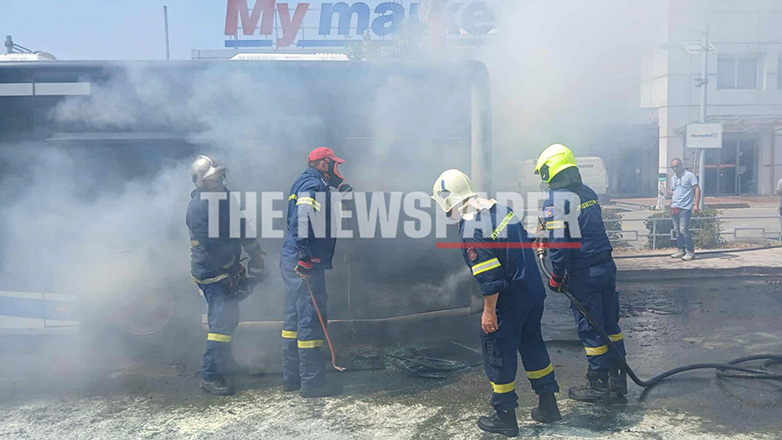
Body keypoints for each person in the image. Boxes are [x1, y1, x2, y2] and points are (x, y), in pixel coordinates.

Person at [432, 169, 561, 437]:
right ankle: (548, 406)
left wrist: (489, 312)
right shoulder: (501, 210)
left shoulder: (472, 229)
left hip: (509, 300)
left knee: (498, 352)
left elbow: (490, 277)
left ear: (448, 200)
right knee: (533, 345)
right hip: (533, 293)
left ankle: (505, 416)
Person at [536, 144, 627, 402]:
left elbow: (560, 244)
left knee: (590, 328)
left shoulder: (556, 200)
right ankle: (618, 379)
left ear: (551, 170)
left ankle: (598, 385)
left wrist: (556, 275)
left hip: (584, 273)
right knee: (609, 324)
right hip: (606, 267)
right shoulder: (588, 192)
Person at [187, 155, 265, 396]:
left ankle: (226, 363)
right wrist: (232, 267)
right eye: (214, 179)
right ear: (201, 182)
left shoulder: (224, 197)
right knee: (220, 325)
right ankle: (209, 375)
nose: (220, 182)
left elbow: (240, 225)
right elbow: (212, 245)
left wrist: (255, 252)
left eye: (221, 177)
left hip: (226, 267)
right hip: (212, 271)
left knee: (230, 319)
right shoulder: (199, 208)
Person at [280, 147, 353, 398]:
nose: (337, 170)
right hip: (305, 261)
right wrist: (305, 258)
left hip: (294, 259)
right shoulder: (313, 186)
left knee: (293, 319)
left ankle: (292, 378)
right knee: (310, 318)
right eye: (334, 165)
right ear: (323, 164)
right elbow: (302, 220)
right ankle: (312, 383)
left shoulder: (304, 181)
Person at [668, 158, 701, 261]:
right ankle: (680, 250)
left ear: (681, 165)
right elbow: (674, 191)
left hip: (685, 207)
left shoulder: (689, 175)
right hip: (675, 206)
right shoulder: (673, 178)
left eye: (677, 166)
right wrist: (668, 193)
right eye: (673, 166)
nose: (675, 168)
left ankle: (690, 252)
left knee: (684, 230)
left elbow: (696, 189)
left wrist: (695, 204)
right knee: (677, 231)